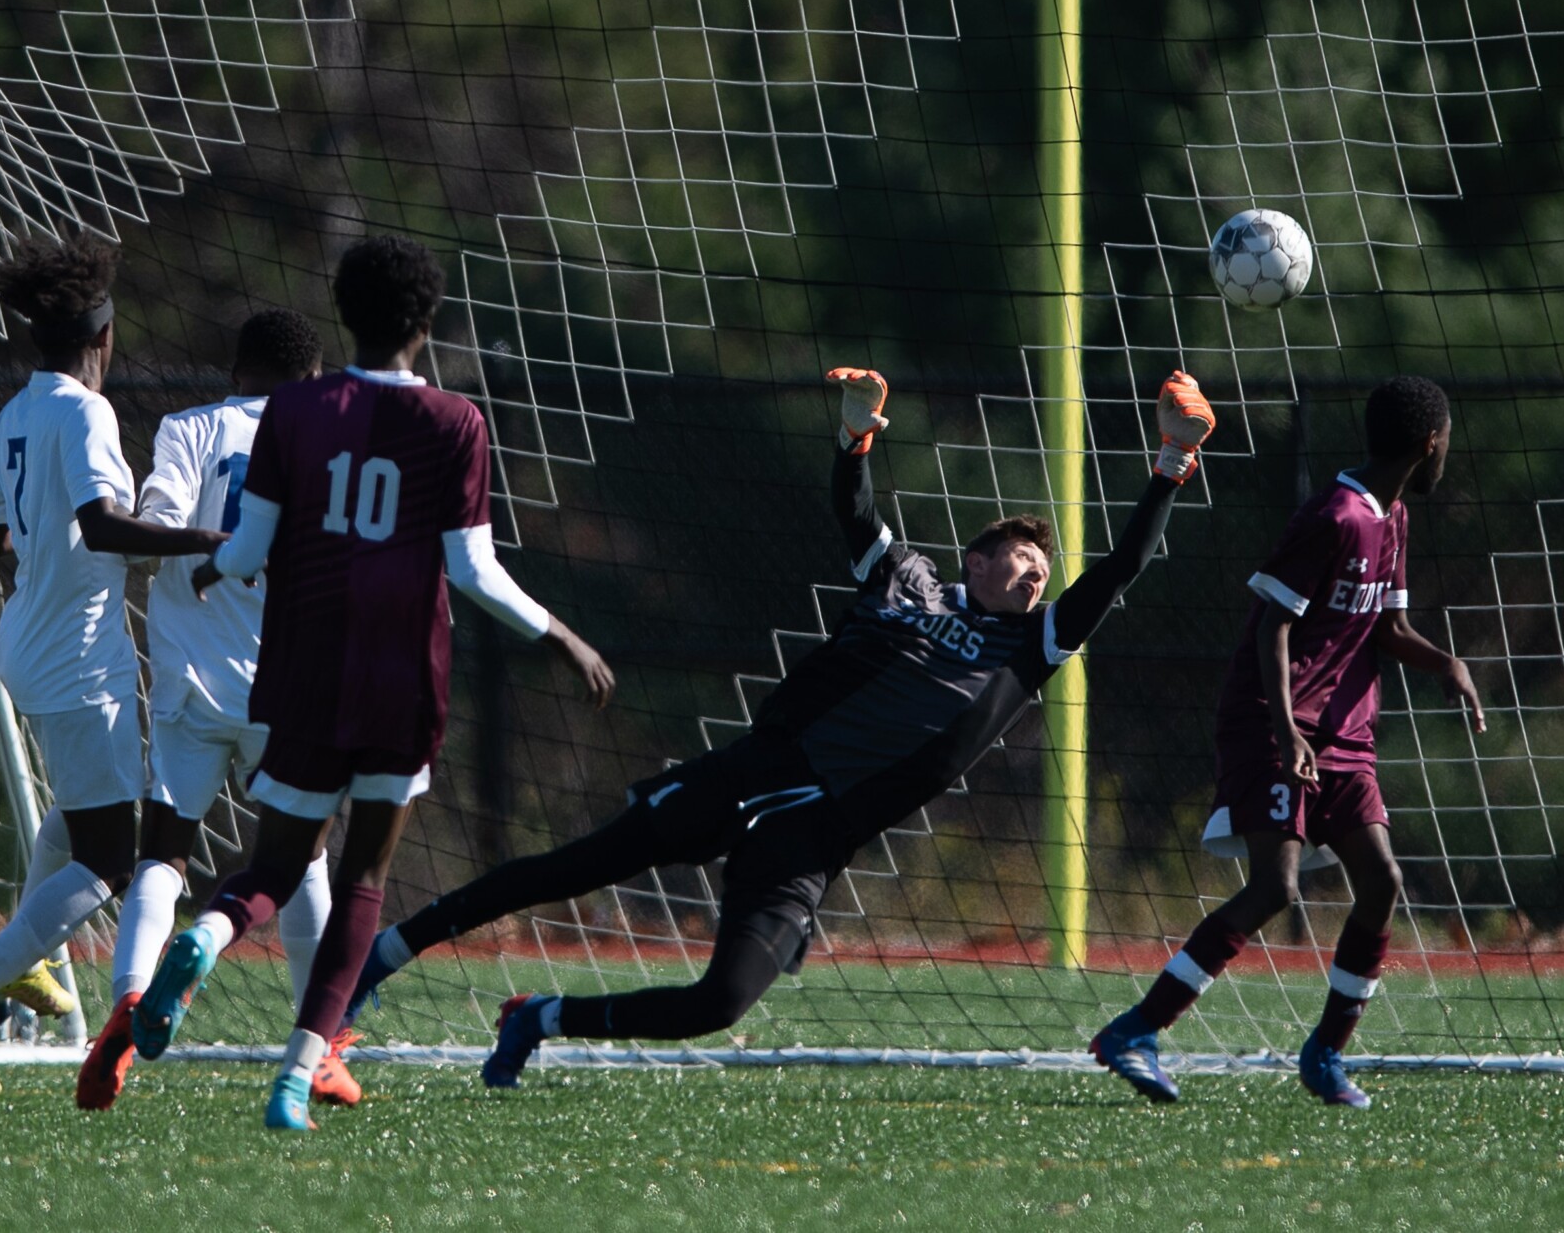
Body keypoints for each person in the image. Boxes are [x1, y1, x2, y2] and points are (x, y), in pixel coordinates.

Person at [339, 366, 1220, 1090]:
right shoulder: (907, 580)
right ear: (976, 559)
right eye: (1023, 562)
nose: (1035, 579)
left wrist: (1172, 462)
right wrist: (855, 436)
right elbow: (856, 513)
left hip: (813, 838)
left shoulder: (1029, 648)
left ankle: (541, 1017)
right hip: (754, 772)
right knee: (569, 868)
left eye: (1043, 575)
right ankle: (379, 956)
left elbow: (1121, 568)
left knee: (718, 1003)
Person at [132, 234, 614, 1132]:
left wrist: (211, 569)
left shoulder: (295, 410)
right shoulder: (455, 420)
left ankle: (204, 935)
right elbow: (471, 571)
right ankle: (294, 1078)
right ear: (425, 322)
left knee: (276, 865)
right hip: (400, 677)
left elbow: (248, 547)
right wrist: (560, 634)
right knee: (361, 879)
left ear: (344, 314)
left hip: (303, 669)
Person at [1092, 375, 1484, 1109]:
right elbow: (1272, 624)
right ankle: (1135, 1030)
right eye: (1447, 442)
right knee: (1276, 885)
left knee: (1382, 880)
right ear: (1431, 441)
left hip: (1345, 732)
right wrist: (1285, 731)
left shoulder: (1393, 515)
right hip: (1273, 721)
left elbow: (1389, 628)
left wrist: (1447, 664)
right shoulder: (1335, 514)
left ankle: (1326, 1052)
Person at [0, 232, 228, 1095]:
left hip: (28, 639)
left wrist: (50, 553)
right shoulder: (87, 413)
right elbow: (100, 524)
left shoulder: (17, 412)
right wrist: (207, 539)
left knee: (79, 814)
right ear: (104, 335)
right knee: (110, 862)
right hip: (77, 656)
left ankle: (28, 958)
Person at [76, 306, 357, 1110]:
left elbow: (157, 528)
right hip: (287, 684)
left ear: (237, 374)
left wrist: (203, 547)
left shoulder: (188, 428)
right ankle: (319, 1047)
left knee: (163, 853)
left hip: (191, 679)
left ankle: (127, 1008)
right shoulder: (331, 442)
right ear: (312, 379)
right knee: (303, 857)